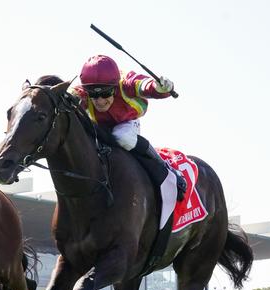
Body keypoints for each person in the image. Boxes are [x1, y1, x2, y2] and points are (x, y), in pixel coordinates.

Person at [71, 55, 187, 222]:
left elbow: (145, 85)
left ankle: (167, 169)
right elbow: (71, 94)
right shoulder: (83, 90)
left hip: (126, 124)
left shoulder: (126, 82)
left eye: (105, 93)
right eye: (93, 95)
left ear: (114, 87)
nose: (100, 101)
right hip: (99, 128)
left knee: (122, 136)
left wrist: (160, 87)